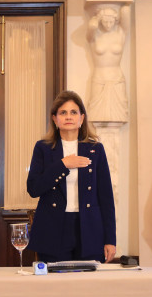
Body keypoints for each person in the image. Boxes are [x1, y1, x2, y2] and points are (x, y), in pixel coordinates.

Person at [26, 90, 116, 263]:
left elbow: (106, 197)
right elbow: (34, 188)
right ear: (55, 119)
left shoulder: (95, 149)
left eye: (73, 112)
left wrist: (110, 239)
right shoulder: (43, 148)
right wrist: (63, 164)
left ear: (82, 118)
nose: (68, 117)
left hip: (89, 228)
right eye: (63, 112)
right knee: (55, 279)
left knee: (88, 279)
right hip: (53, 228)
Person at [86, 4, 129, 122]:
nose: (108, 25)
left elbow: (126, 10)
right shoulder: (94, 35)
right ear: (101, 21)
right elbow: (91, 27)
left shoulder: (120, 33)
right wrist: (96, 18)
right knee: (96, 116)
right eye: (105, 22)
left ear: (115, 20)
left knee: (119, 118)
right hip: (99, 78)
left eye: (111, 22)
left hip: (117, 78)